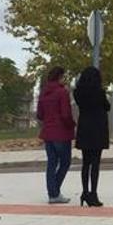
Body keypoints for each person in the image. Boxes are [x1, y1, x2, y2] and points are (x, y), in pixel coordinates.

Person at [37, 66, 75, 204]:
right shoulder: (62, 92)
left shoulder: (43, 93)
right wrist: (72, 125)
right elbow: (65, 114)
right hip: (62, 132)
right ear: (60, 76)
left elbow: (39, 114)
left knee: (51, 163)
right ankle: (54, 191)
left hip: (48, 132)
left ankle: (52, 192)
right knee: (65, 162)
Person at [74, 66, 110, 207]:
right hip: (97, 129)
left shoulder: (78, 92)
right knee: (95, 164)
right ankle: (93, 193)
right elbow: (107, 106)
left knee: (85, 163)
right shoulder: (99, 92)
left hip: (84, 129)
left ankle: (84, 192)